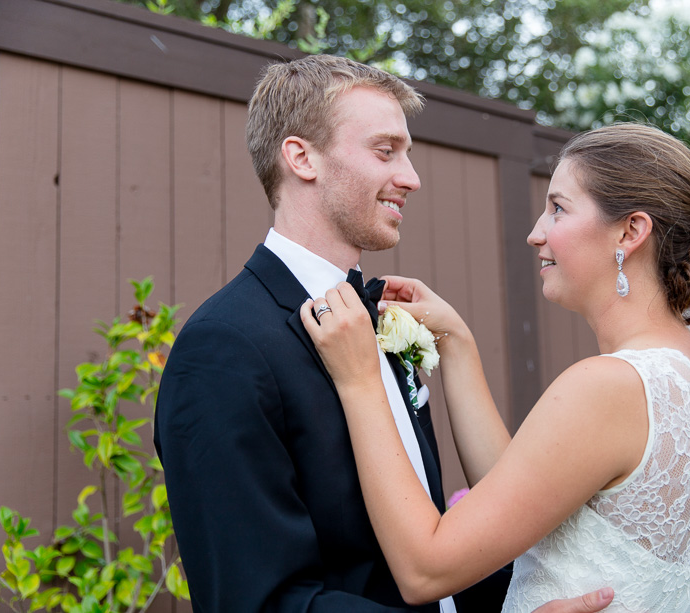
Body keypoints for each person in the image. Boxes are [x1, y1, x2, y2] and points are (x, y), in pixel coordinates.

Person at [154, 55, 615, 613]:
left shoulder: (386, 322)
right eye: (385, 150)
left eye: (409, 154)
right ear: (302, 158)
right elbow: (261, 602)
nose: (412, 178)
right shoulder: (223, 349)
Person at [300, 123, 690, 612]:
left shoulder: (612, 387)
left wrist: (359, 381)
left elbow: (426, 568)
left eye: (558, 209)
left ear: (631, 231)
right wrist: (457, 343)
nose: (535, 233)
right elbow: (525, 498)